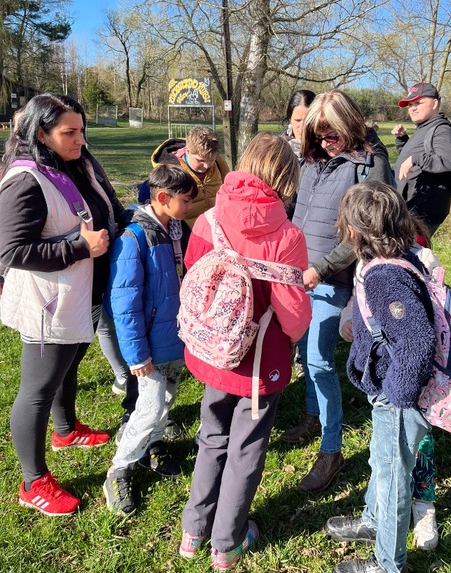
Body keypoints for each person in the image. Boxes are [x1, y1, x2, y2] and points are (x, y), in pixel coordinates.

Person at [179, 133, 312, 570]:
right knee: (246, 448)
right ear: (286, 178)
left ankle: (193, 530)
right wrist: (293, 336)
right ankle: (227, 542)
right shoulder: (287, 235)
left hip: (212, 351)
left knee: (211, 436)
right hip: (258, 361)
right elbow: (293, 314)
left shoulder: (209, 218)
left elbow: (193, 273)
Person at [0, 94, 123, 516]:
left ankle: (66, 430)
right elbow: (11, 250)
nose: (80, 139)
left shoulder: (74, 162)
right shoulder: (25, 180)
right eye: (69, 132)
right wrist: (79, 248)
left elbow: (104, 208)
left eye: (81, 130)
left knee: (68, 367)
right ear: (41, 133)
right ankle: (32, 482)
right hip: (48, 304)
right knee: (37, 391)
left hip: (81, 295)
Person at [280, 90, 393, 493]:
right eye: (319, 134)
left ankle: (332, 451)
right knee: (305, 352)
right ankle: (313, 416)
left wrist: (322, 268)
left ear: (351, 124)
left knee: (318, 360)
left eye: (333, 134)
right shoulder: (310, 160)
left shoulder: (369, 164)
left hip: (332, 280)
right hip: (299, 276)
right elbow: (296, 211)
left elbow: (364, 232)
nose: (327, 142)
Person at [325, 180, 436, 573]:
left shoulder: (384, 276)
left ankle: (389, 563)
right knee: (382, 458)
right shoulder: (395, 259)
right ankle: (373, 521)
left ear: (355, 230)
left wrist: (397, 396)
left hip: (397, 395)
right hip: (388, 389)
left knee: (393, 478)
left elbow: (417, 340)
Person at [102, 164, 197, 515]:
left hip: (173, 337)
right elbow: (124, 303)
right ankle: (119, 468)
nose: (190, 206)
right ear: (163, 197)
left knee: (167, 399)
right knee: (150, 406)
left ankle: (152, 446)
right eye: (186, 200)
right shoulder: (134, 238)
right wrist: (137, 355)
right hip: (149, 347)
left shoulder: (176, 229)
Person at [392, 82, 451, 236]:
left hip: (423, 212)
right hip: (413, 208)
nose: (412, 108)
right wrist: (402, 140)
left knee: (407, 251)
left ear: (434, 103)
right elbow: (414, 162)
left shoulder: (441, 129)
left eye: (418, 103)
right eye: (410, 105)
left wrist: (415, 158)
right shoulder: (425, 127)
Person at [280, 89, 316, 378]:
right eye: (297, 120)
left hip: (311, 232)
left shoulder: (325, 149)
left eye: (308, 119)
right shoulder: (280, 148)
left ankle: (304, 353)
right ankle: (284, 348)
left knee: (306, 293)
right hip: (281, 229)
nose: (302, 127)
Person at [139, 126, 229, 227]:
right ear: (187, 151)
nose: (207, 165)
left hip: (218, 230)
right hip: (185, 233)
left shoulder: (220, 165)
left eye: (211, 160)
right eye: (200, 160)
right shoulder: (169, 175)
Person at [281, 89, 316, 157]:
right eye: (297, 120)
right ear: (290, 119)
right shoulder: (278, 148)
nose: (302, 127)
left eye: (307, 121)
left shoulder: (327, 148)